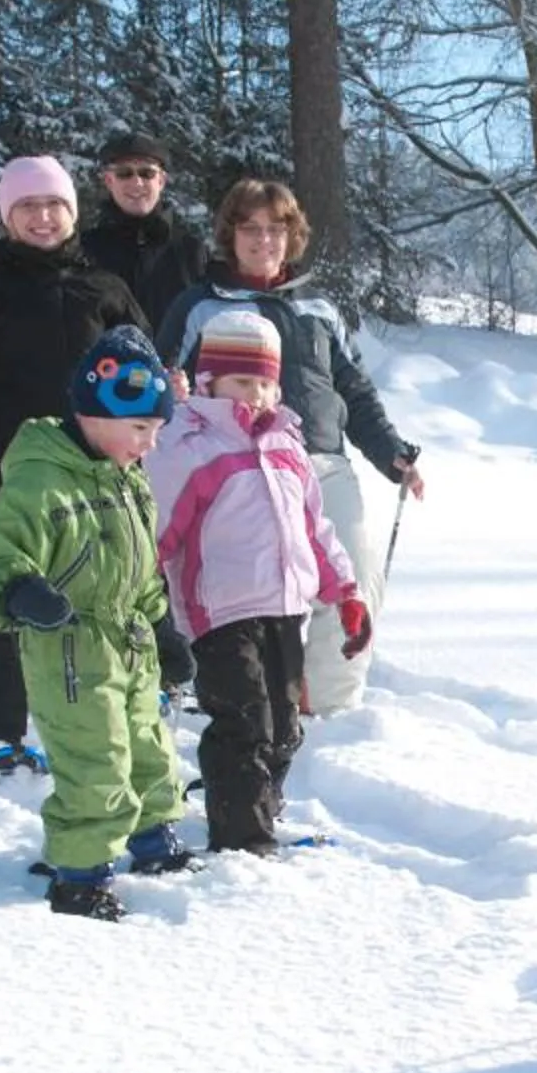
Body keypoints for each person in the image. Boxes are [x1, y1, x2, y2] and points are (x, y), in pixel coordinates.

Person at [0, 156, 160, 786]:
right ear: (7, 216)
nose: (43, 219)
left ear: (71, 212)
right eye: (27, 208)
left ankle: (102, 724)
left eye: (54, 206)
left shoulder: (103, 288)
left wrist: (160, 384)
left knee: (101, 592)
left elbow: (139, 362)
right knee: (7, 589)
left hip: (92, 468)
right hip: (7, 464)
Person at [161, 177, 422, 716]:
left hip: (321, 463)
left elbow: (353, 390)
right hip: (231, 467)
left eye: (276, 229)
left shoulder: (320, 309)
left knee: (352, 578)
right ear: (229, 236)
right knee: (236, 590)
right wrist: (171, 394)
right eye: (251, 229)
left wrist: (391, 453)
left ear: (292, 236)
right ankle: (230, 693)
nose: (264, 241)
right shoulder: (199, 307)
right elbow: (160, 381)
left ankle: (328, 710)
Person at [0, 326, 197, 921]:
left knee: (148, 748)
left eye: (157, 432)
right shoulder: (41, 478)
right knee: (97, 761)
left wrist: (162, 628)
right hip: (68, 648)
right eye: (141, 429)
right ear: (95, 413)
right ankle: (81, 875)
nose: (149, 445)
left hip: (130, 642)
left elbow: (141, 566)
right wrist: (18, 591)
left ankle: (152, 840)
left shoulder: (125, 479)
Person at [145, 309, 368, 857]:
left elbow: (316, 527)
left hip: (285, 607)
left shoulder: (287, 445)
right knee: (244, 722)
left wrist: (346, 591)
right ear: (208, 381)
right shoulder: (189, 445)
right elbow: (159, 528)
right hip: (218, 612)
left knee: (285, 727)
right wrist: (142, 592)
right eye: (243, 382)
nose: (257, 394)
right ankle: (242, 839)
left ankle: (260, 806)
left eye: (266, 382)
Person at [80, 132, 208, 355]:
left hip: (178, 383)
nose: (136, 182)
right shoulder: (85, 251)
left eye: (147, 173)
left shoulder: (190, 251)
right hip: (106, 381)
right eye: (124, 173)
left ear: (161, 181)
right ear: (109, 181)